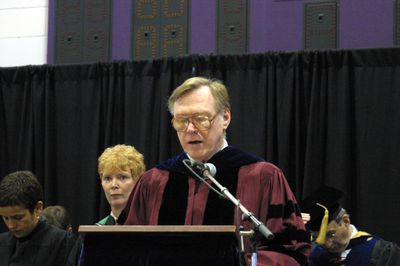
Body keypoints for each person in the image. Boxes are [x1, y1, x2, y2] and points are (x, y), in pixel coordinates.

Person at [124, 77, 311, 265]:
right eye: (181, 120)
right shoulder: (154, 181)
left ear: (226, 118)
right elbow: (126, 249)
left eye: (201, 119)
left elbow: (290, 250)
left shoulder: (263, 177)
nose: (190, 129)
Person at [301, 185, 400, 265]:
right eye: (317, 238)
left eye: (330, 234)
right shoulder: (313, 256)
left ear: (346, 221)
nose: (327, 244)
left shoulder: (380, 252)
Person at [0, 171, 76, 266]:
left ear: (38, 208)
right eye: (5, 218)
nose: (11, 225)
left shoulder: (63, 242)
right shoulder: (2, 242)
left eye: (18, 217)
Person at [97, 144, 145, 225]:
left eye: (122, 177)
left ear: (138, 182)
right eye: (108, 178)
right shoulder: (95, 232)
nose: (113, 185)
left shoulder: (152, 227)